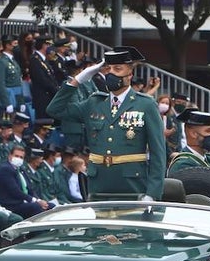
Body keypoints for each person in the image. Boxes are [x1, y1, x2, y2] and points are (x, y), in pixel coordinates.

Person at [47, 47, 166, 201]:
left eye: (117, 69)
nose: (111, 73)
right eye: (108, 69)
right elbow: (55, 110)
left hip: (132, 185)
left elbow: (158, 152)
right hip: (99, 185)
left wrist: (152, 194)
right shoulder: (94, 102)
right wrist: (78, 80)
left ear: (129, 75)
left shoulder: (145, 104)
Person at [0, 145, 52, 219]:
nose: (18, 159)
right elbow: (15, 192)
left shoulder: (21, 169)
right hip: (11, 204)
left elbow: (30, 189)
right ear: (10, 156)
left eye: (21, 157)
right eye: (16, 156)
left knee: (51, 206)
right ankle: (36, 230)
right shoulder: (5, 169)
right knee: (37, 207)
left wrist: (39, 200)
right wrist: (35, 201)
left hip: (22, 202)